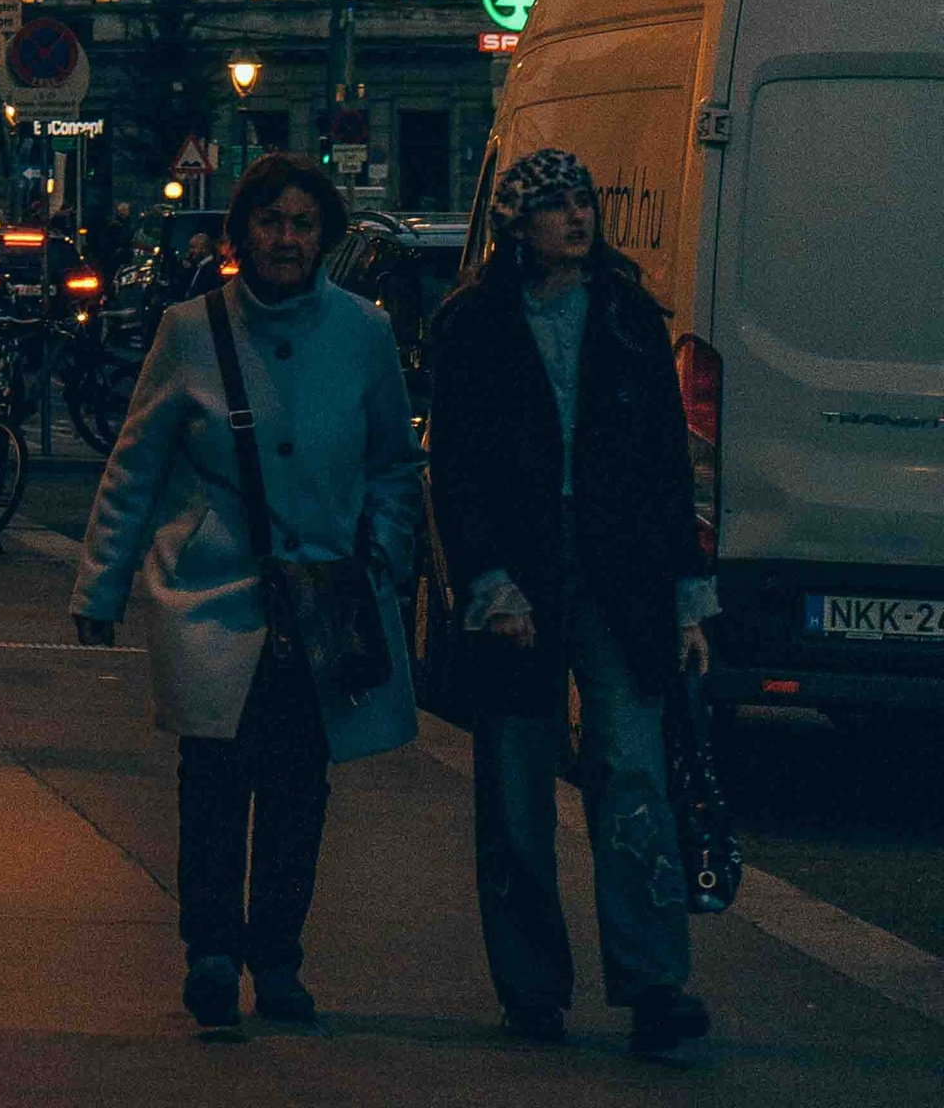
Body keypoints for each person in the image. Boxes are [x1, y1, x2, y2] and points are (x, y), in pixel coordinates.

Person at [70, 152, 422, 1036]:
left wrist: (380, 552)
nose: (287, 238)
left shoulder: (364, 333)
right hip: (215, 597)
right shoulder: (191, 330)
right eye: (271, 221)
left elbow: (393, 463)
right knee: (216, 780)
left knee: (300, 786)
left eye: (304, 223)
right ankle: (212, 953)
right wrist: (101, 585)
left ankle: (280, 958)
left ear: (326, 236)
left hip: (325, 596)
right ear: (242, 234)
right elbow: (136, 466)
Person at [424, 146, 716, 1057]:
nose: (577, 219)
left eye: (583, 201)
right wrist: (485, 582)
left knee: (631, 773)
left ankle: (655, 981)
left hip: (619, 569)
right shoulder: (475, 324)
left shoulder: (627, 314)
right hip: (519, 570)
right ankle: (532, 987)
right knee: (514, 785)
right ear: (518, 227)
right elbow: (458, 469)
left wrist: (688, 594)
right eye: (555, 207)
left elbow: (667, 466)